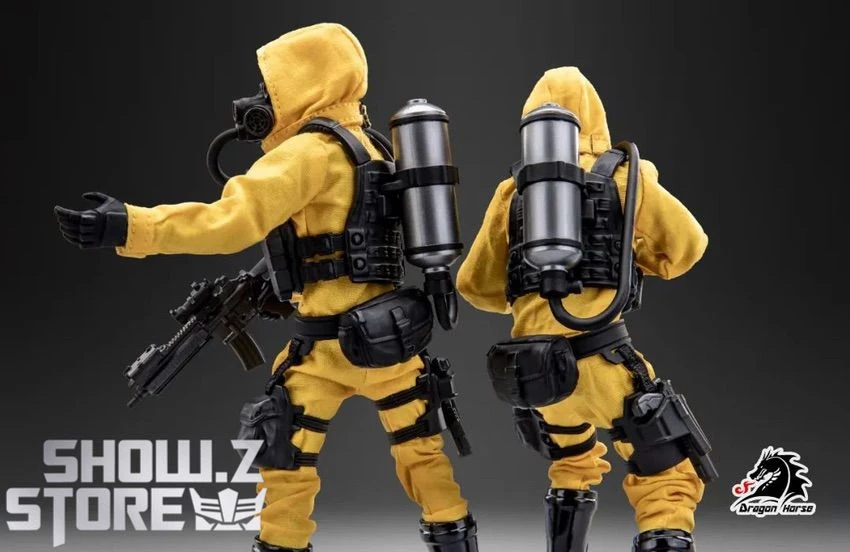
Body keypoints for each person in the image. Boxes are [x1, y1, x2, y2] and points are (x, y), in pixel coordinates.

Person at [54, 23, 477, 552]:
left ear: (305, 83)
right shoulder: (374, 145)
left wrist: (131, 226)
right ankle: (455, 537)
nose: (260, 97)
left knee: (285, 463)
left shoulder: (307, 153)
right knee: (422, 455)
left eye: (271, 85)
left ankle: (282, 544)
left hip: (325, 350)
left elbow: (229, 223)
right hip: (391, 339)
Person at [457, 66, 709, 552]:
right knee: (668, 474)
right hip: (600, 360)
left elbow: (475, 284)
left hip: (537, 375)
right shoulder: (624, 175)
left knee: (571, 464)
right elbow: (686, 247)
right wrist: (628, 261)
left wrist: (527, 294)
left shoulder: (513, 193)